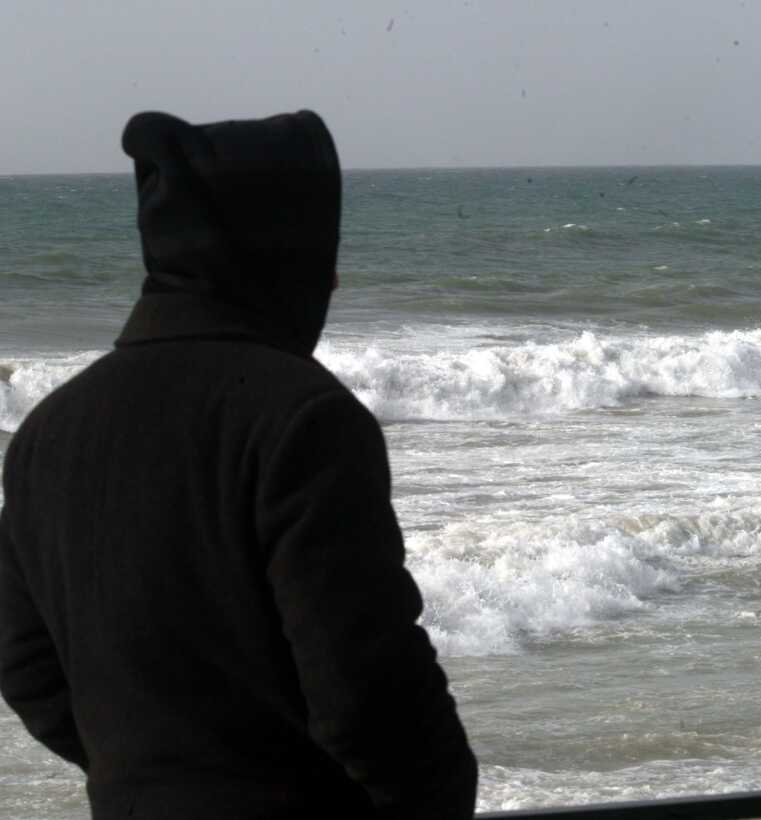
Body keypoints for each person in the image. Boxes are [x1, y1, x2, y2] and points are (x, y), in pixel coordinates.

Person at [0, 110, 477, 818]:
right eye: (321, 250)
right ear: (280, 251)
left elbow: (25, 664)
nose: (335, 279)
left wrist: (152, 776)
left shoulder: (47, 431)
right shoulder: (303, 418)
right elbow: (366, 693)